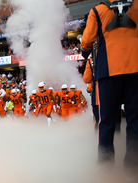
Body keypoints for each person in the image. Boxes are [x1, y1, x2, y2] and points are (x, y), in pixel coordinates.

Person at [80, 0, 138, 177]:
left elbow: (87, 41)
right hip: (135, 68)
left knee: (106, 120)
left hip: (108, 71)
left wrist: (84, 51)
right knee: (135, 119)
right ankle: (133, 164)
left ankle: (105, 165)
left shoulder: (97, 10)